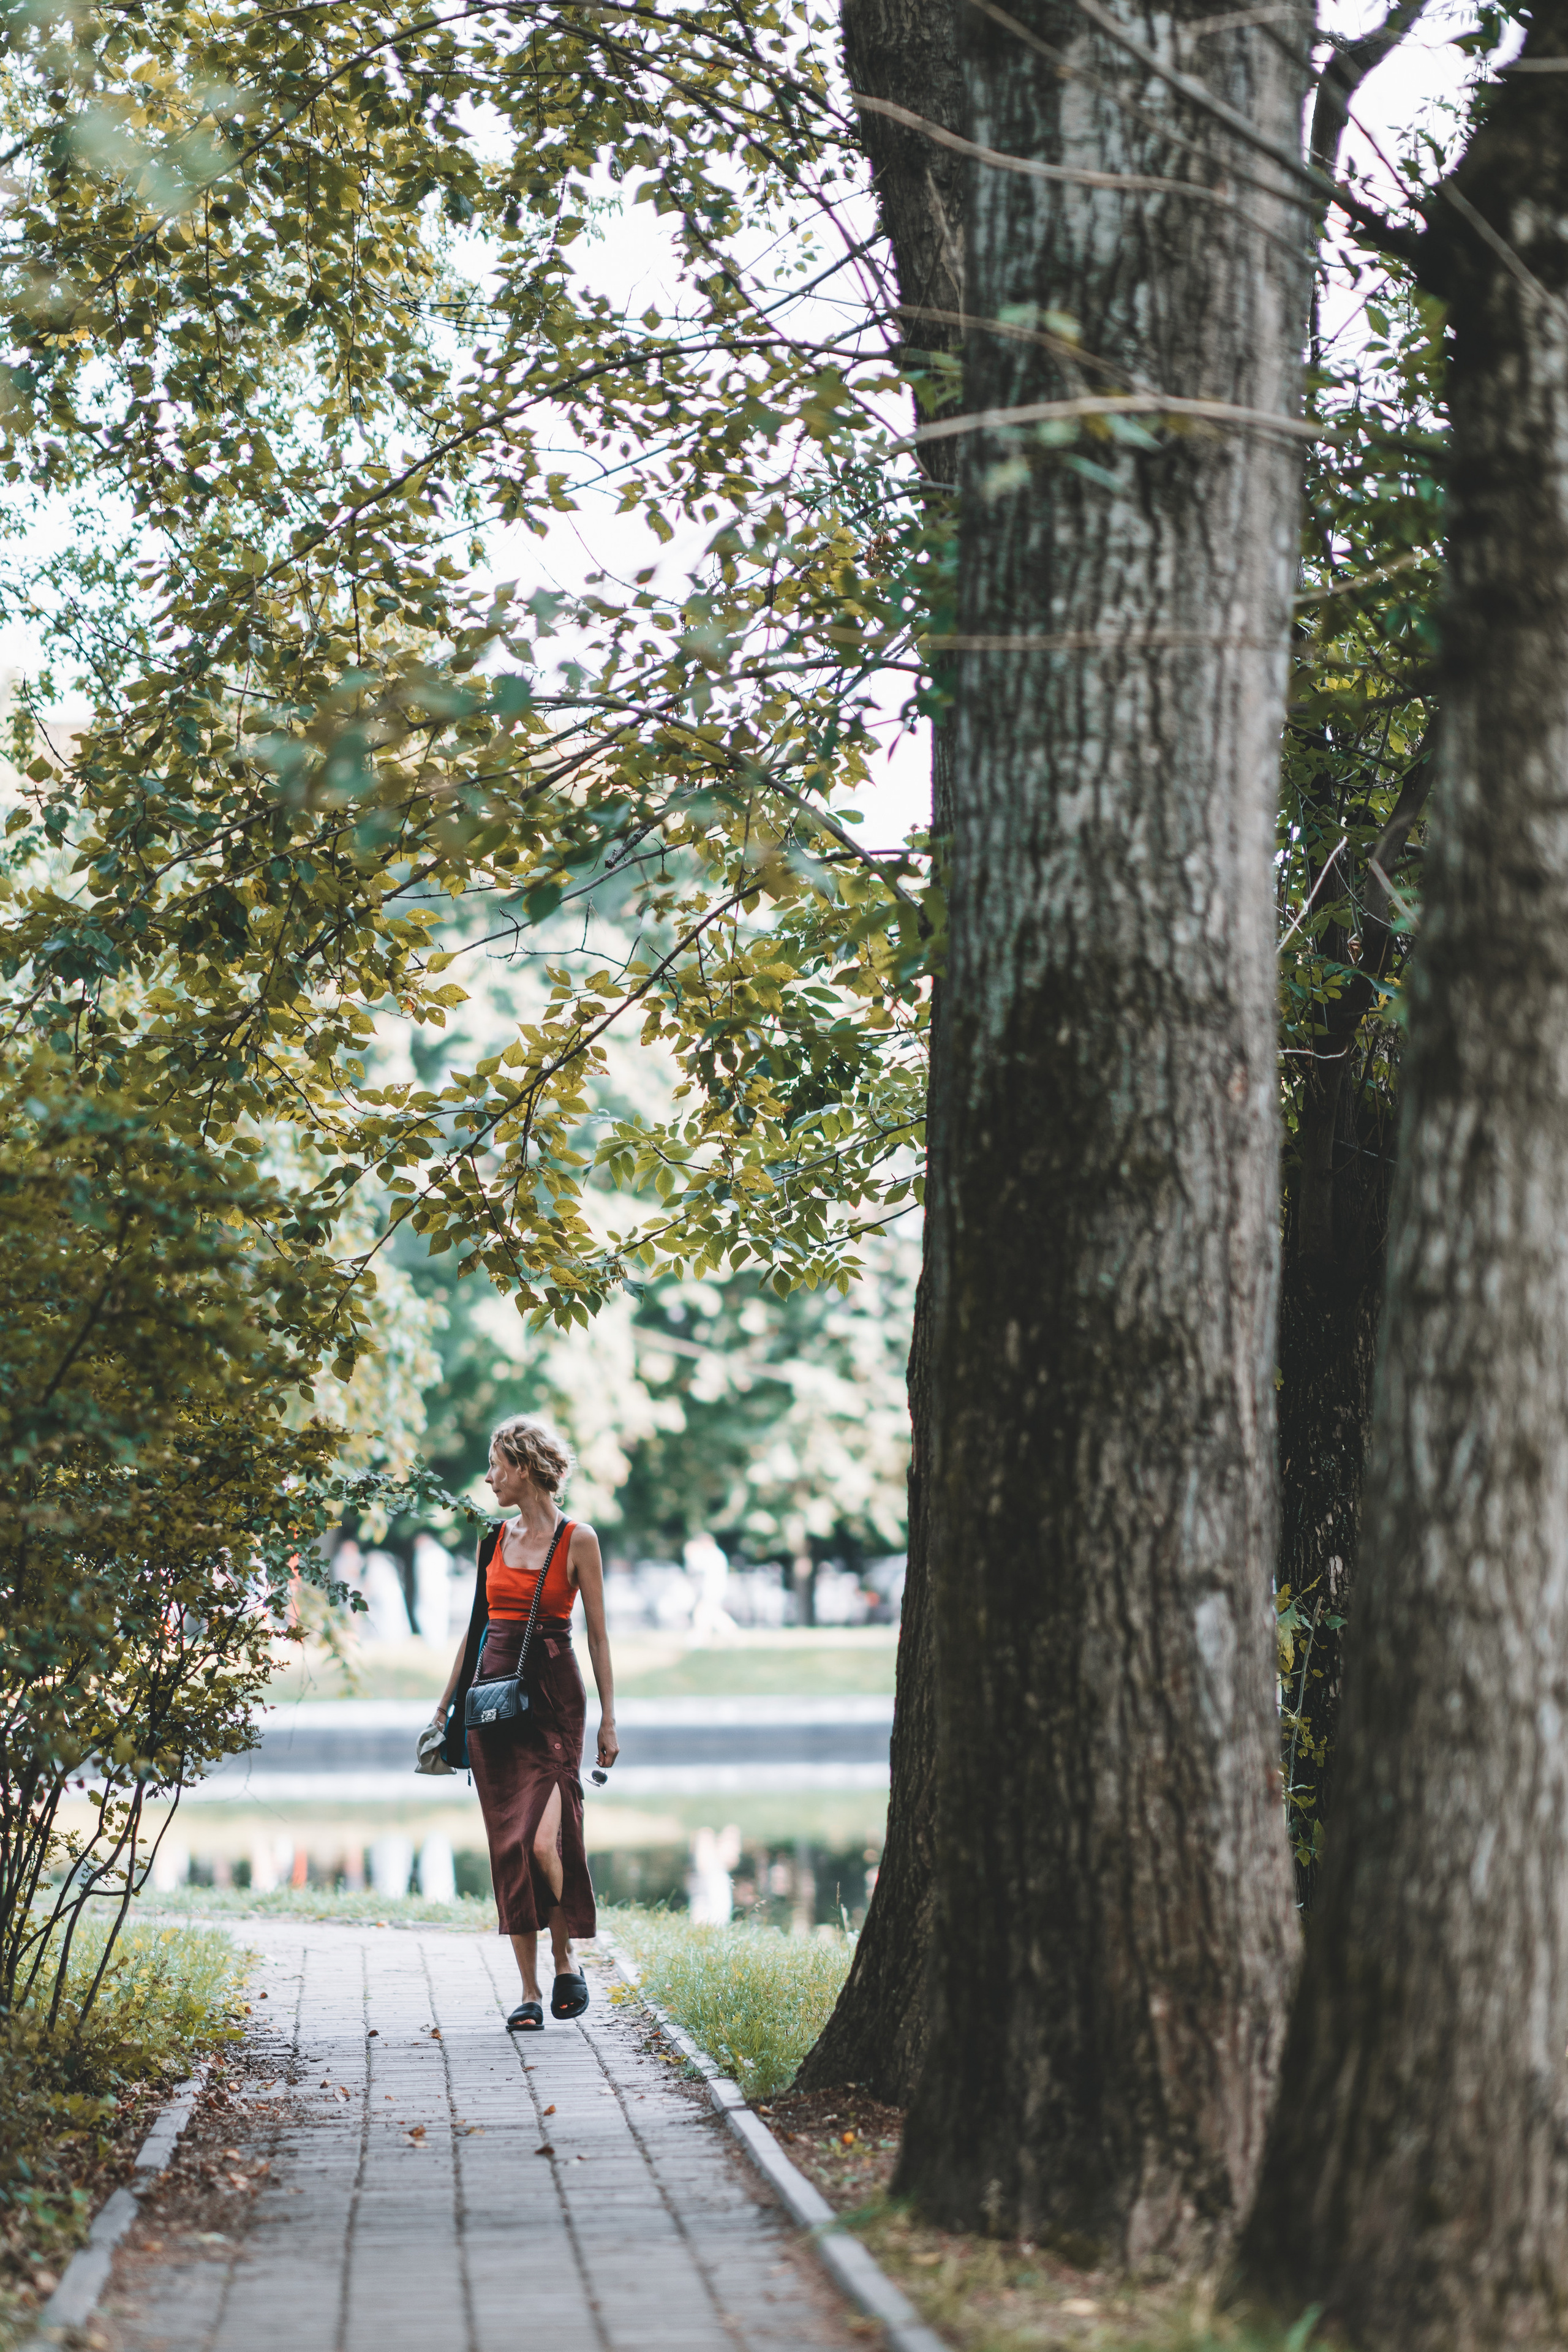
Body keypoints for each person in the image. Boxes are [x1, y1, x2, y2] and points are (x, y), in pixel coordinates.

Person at [431, 1415, 618, 2030]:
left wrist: (609, 1721)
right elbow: (476, 1628)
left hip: (553, 1697)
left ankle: (568, 1959)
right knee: (510, 1847)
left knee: (545, 1842)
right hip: (491, 1700)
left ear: (527, 1468)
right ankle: (530, 1992)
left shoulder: (578, 1539)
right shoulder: (492, 1539)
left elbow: (598, 1636)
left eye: (497, 1467)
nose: (489, 1479)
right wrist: (444, 1706)